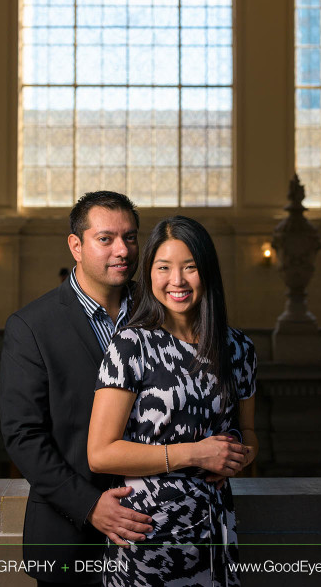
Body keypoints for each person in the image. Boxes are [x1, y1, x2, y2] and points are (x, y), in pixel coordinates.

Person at [88, 215, 258, 587]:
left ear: (208, 272)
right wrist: (197, 454)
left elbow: (248, 433)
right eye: (164, 268)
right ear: (150, 273)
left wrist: (236, 455)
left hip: (216, 536)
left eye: (190, 268)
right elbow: (100, 453)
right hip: (147, 539)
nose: (176, 281)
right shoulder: (132, 345)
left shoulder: (239, 349)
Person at [0, 191, 153, 587]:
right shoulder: (32, 326)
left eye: (131, 237)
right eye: (106, 239)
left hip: (159, 529)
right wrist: (89, 506)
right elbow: (23, 435)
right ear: (76, 246)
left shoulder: (161, 315)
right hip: (69, 538)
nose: (122, 250)